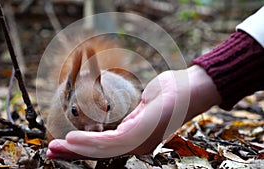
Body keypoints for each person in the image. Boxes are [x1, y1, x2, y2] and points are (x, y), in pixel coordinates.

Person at [46, 6, 264, 159]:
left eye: (107, 107)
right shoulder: (61, 104)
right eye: (76, 111)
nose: (97, 125)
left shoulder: (115, 93)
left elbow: (125, 96)